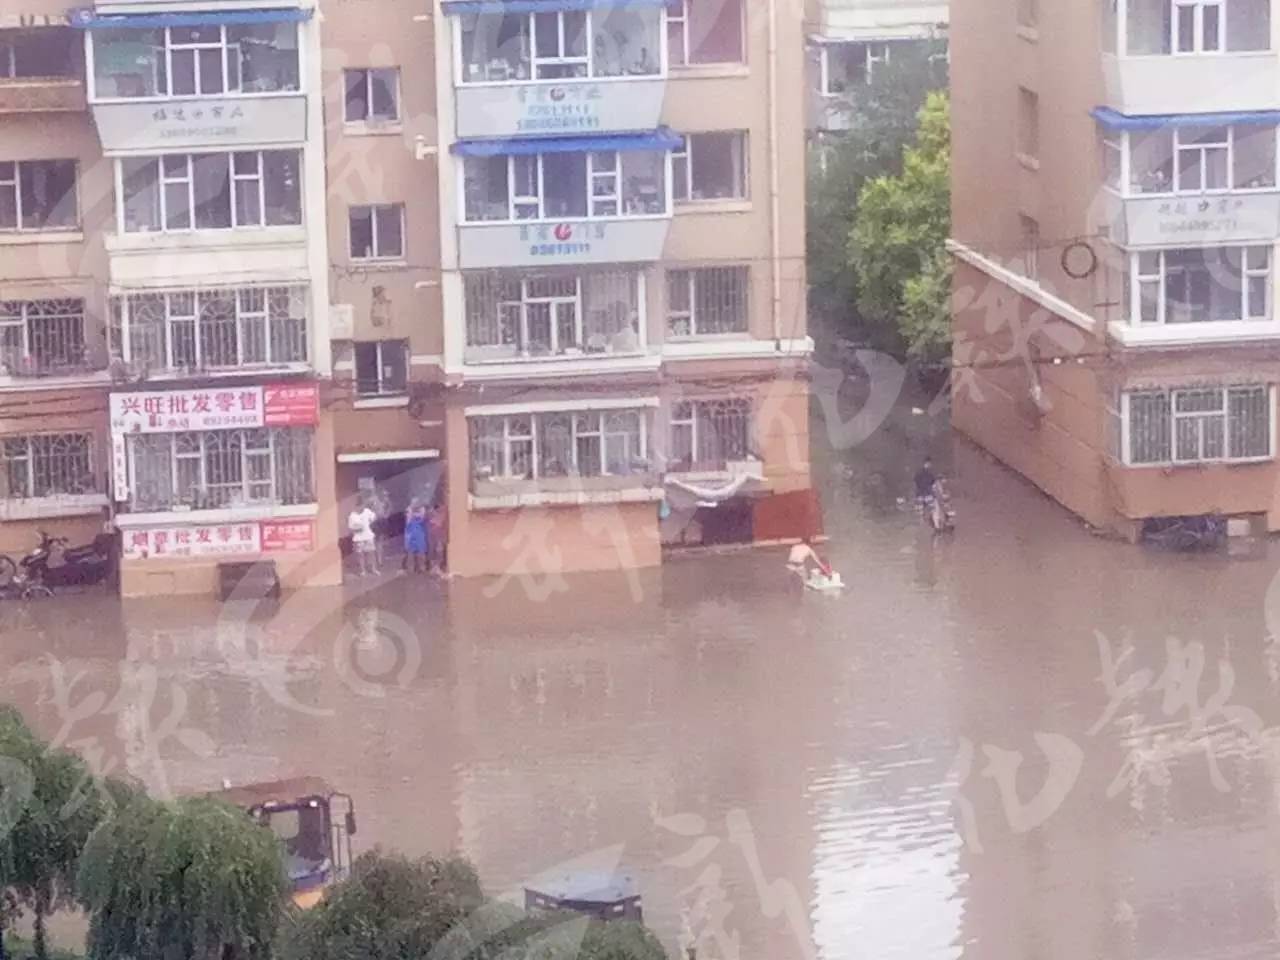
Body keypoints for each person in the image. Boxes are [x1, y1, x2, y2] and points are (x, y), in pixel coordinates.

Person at [347, 498, 379, 577]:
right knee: (360, 554)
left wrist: (370, 522)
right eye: (359, 506)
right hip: (358, 537)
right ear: (356, 506)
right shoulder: (352, 515)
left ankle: (373, 569)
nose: (361, 508)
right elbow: (350, 527)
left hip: (368, 536)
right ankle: (362, 570)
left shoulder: (367, 512)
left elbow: (374, 518)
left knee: (371, 553)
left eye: (362, 506)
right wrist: (356, 528)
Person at [403, 500, 428, 574]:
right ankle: (414, 566)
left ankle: (420, 567)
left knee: (420, 550)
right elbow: (408, 519)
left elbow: (422, 516)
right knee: (412, 551)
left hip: (419, 533)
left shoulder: (421, 510)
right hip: (411, 532)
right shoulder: (409, 510)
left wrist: (414, 513)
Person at [427, 502, 447, 576]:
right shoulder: (432, 514)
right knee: (434, 549)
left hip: (439, 536)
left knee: (439, 549)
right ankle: (435, 567)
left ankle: (437, 567)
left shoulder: (442, 512)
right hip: (435, 535)